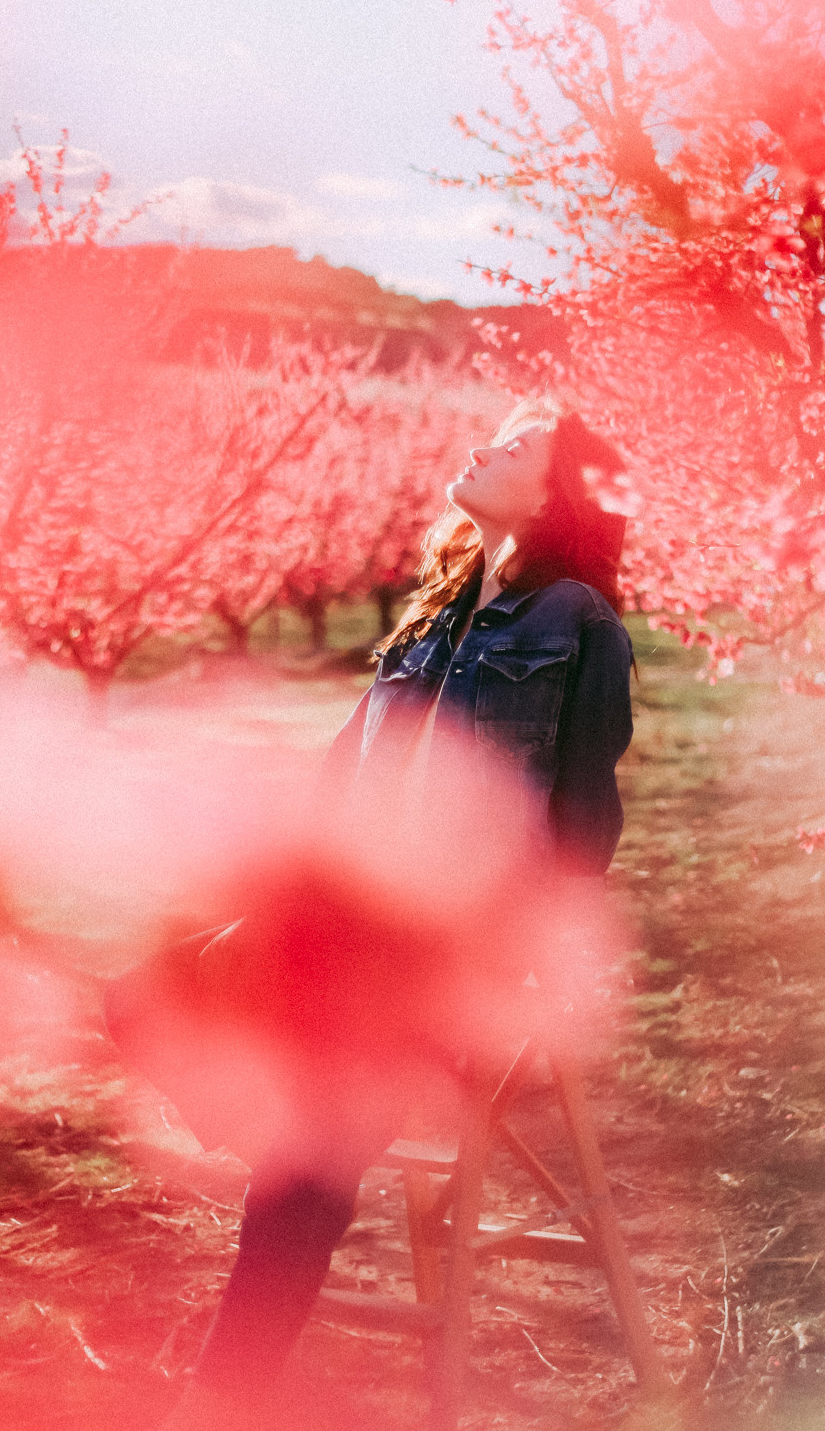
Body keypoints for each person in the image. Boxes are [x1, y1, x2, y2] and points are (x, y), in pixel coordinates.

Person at [140, 397, 636, 1429]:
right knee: (144, 993)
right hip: (338, 931)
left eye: (517, 445)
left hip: (444, 963)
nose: (485, 445)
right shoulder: (435, 614)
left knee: (305, 1158)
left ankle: (222, 1394)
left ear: (556, 493)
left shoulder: (580, 621)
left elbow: (583, 821)